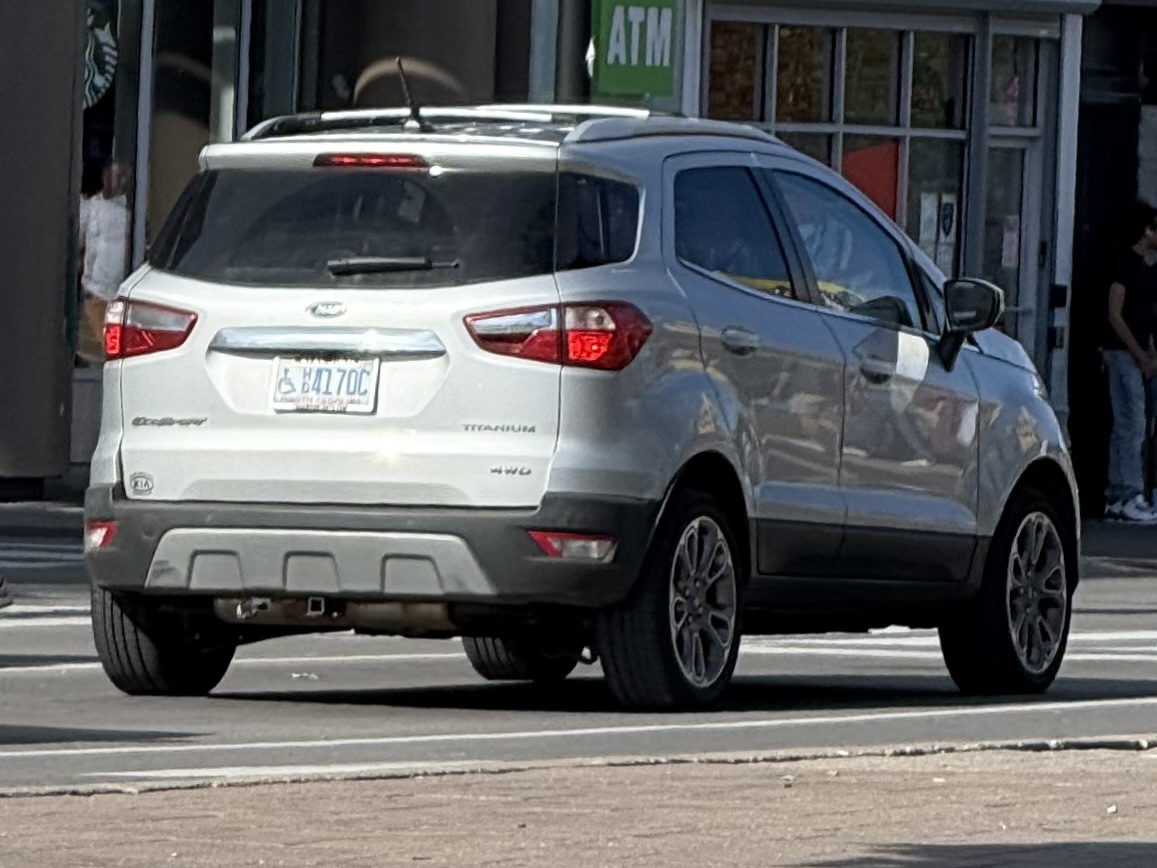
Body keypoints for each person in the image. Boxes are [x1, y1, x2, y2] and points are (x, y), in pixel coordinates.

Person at [1104, 205, 1157, 521]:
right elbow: (1115, 313)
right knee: (1131, 421)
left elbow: (1144, 318)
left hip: (1138, 354)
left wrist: (1149, 353)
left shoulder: (1146, 269)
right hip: (1121, 354)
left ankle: (1120, 493)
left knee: (1133, 422)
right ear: (1146, 231)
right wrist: (1139, 353)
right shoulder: (1123, 265)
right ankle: (1126, 493)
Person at [77, 158, 131, 364]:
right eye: (109, 175)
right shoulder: (93, 207)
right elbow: (79, 237)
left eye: (118, 177)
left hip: (114, 296)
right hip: (91, 294)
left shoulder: (128, 213)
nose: (113, 181)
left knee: (109, 355)